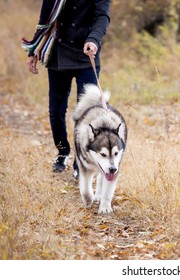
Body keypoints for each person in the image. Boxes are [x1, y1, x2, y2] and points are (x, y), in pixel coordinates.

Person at [26, 0, 111, 179]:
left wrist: (94, 39)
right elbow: (44, 21)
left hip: (87, 55)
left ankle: (80, 161)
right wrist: (33, 51)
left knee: (86, 114)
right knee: (56, 111)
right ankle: (62, 151)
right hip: (58, 55)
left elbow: (102, 17)